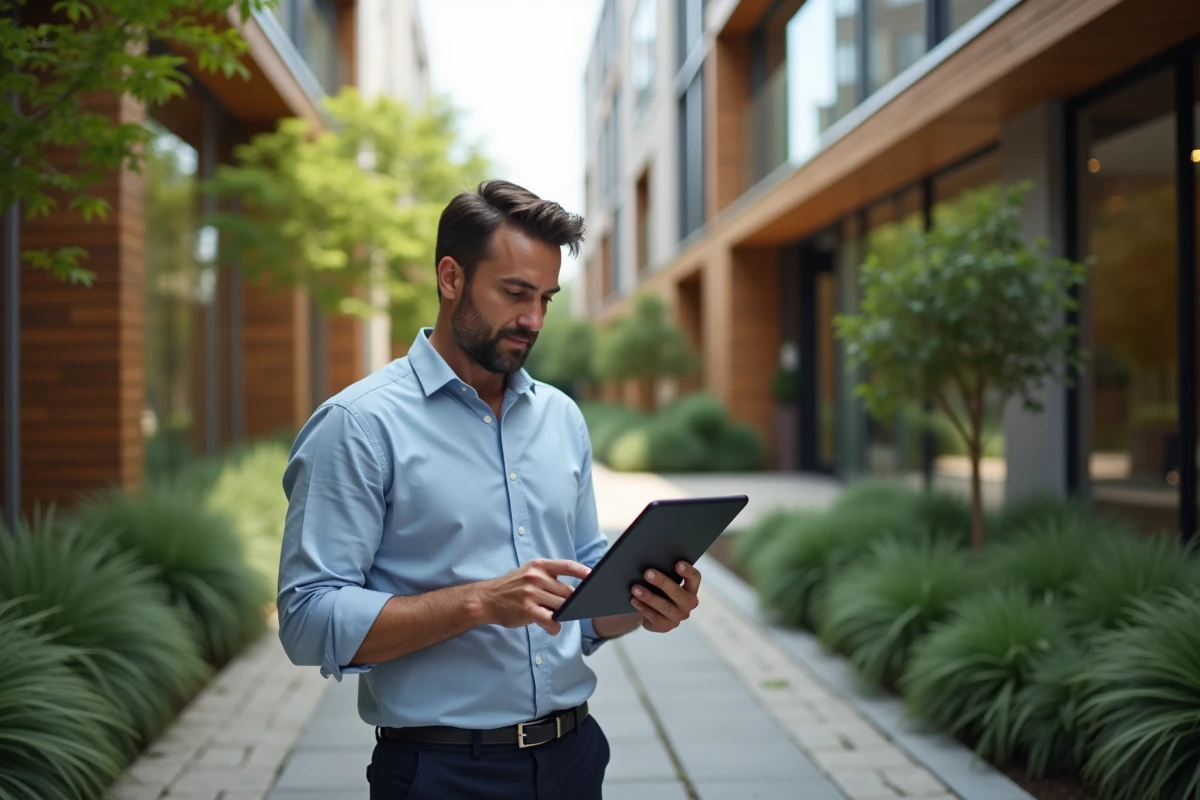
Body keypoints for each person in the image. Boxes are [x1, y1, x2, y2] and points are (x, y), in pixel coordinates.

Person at [276, 180, 704, 799]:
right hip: (441, 774)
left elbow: (581, 603)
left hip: (574, 760)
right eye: (514, 293)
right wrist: (478, 602)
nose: (532, 319)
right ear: (451, 278)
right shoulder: (359, 425)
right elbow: (306, 617)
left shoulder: (562, 417)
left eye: (546, 298)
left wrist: (642, 602)